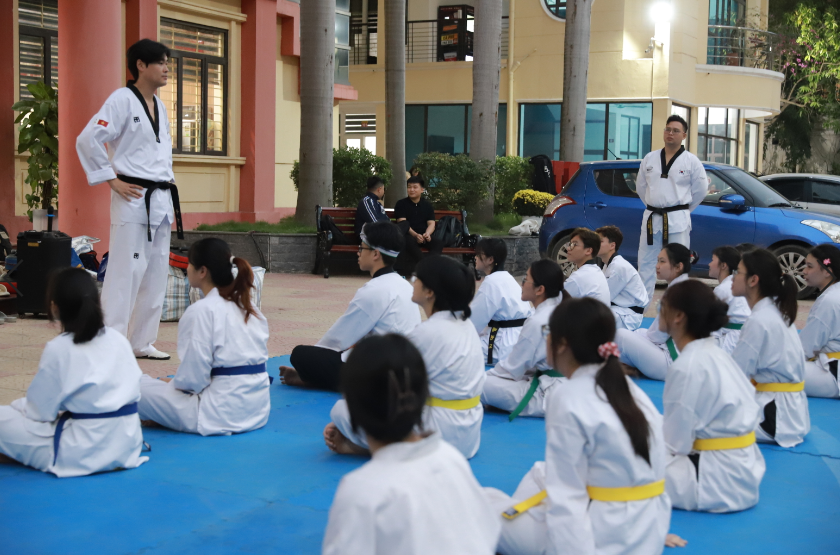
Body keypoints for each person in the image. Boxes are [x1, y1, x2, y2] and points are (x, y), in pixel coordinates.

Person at [485, 298, 681, 555]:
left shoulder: (569, 398)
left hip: (596, 538)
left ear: (562, 343)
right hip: (643, 531)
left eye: (548, 334)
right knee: (539, 472)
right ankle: (524, 513)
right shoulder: (630, 390)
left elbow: (567, 498)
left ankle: (516, 515)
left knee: (483, 501)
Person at [321, 334, 501, 555]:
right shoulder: (451, 458)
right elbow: (486, 534)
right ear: (424, 395)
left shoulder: (360, 489)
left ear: (353, 409)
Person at [76, 39, 183, 360]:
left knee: (155, 273)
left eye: (167, 63)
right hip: (134, 198)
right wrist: (111, 180)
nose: (166, 69)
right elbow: (88, 139)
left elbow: (158, 156)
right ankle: (109, 341)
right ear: (140, 65)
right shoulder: (121, 100)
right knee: (126, 272)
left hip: (160, 200)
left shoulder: (160, 106)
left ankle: (141, 341)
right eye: (161, 62)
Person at [326, 256, 485, 459]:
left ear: (429, 292)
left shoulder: (427, 333)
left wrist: (356, 415)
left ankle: (377, 447)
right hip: (468, 433)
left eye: (416, 278)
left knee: (342, 410)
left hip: (437, 434)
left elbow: (388, 386)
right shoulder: (466, 325)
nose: (412, 282)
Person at [0, 268, 147, 477]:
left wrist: (18, 406)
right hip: (127, 445)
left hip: (81, 451)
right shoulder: (118, 339)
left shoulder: (59, 348)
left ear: (54, 307)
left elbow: (40, 413)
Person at [138, 238, 270, 435]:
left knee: (135, 386)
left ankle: (162, 415)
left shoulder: (201, 311)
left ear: (202, 271)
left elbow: (193, 380)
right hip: (256, 410)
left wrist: (174, 384)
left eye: (190, 263)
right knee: (157, 386)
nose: (188, 268)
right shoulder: (251, 310)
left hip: (215, 414)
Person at [659, 280, 765, 512]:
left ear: (678, 316)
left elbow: (677, 443)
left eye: (662, 304)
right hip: (743, 471)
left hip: (713, 480)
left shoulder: (686, 366)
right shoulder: (717, 354)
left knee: (623, 462)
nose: (659, 307)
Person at [281, 221, 420, 391]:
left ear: (375, 254)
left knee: (301, 354)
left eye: (362, 247)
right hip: (405, 368)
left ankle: (315, 380)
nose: (358, 252)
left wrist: (309, 368)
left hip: (378, 374)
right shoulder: (404, 284)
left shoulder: (374, 290)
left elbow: (338, 338)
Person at [731, 248, 810, 448]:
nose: (733, 277)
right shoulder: (776, 310)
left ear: (753, 280)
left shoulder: (760, 319)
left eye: (737, 272)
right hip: (791, 412)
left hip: (773, 417)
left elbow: (736, 376)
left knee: (698, 420)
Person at [482, 260, 569, 419]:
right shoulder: (560, 310)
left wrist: (485, 376)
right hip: (564, 388)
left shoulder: (538, 321)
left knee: (479, 384)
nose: (521, 284)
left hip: (548, 395)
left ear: (540, 289)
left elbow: (512, 369)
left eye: (525, 280)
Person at [635, 115, 708, 300]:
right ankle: (640, 308)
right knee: (646, 263)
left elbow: (700, 191)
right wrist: (654, 205)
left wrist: (682, 210)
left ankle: (679, 305)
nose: (670, 133)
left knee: (679, 264)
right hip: (652, 217)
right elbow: (641, 188)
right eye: (668, 129)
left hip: (677, 219)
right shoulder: (650, 158)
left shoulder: (691, 161)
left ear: (683, 135)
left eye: (676, 130)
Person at [615, 243, 693, 381]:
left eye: (662, 262)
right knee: (637, 333)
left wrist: (641, 338)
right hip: (676, 355)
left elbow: (658, 336)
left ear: (678, 266)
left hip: (670, 361)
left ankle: (627, 364)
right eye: (658, 261)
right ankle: (630, 364)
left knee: (620, 335)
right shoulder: (683, 287)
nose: (657, 266)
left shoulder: (677, 293)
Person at [470, 239, 534, 365]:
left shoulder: (491, 283)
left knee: (459, 350)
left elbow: (473, 323)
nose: (475, 257)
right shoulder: (507, 278)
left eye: (479, 254)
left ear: (490, 260)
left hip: (504, 343)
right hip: (520, 338)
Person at [800, 244, 840, 398]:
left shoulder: (829, 301)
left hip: (834, 374)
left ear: (826, 271)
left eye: (809, 266)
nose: (804, 271)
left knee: (769, 370)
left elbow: (806, 348)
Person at [596, 225, 649, 330]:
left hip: (628, 316)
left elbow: (603, 298)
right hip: (619, 310)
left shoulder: (618, 267)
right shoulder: (608, 265)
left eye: (600, 241)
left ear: (612, 245)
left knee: (589, 318)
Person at [393, 175, 443, 276]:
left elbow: (431, 223)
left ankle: (427, 266)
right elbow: (402, 223)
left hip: (424, 235)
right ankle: (426, 268)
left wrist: (427, 234)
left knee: (438, 243)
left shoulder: (427, 205)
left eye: (415, 187)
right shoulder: (401, 204)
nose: (411, 190)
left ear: (422, 190)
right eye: (409, 187)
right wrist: (415, 235)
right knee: (408, 242)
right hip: (409, 234)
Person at [708, 246, 751, 354]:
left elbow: (711, 323)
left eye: (712, 260)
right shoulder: (733, 283)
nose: (709, 264)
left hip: (732, 340)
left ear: (723, 265)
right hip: (743, 336)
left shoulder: (724, 289)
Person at [563, 228, 611, 306]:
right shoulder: (596, 270)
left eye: (574, 244)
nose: (568, 248)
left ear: (588, 251)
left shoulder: (578, 277)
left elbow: (554, 304)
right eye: (570, 244)